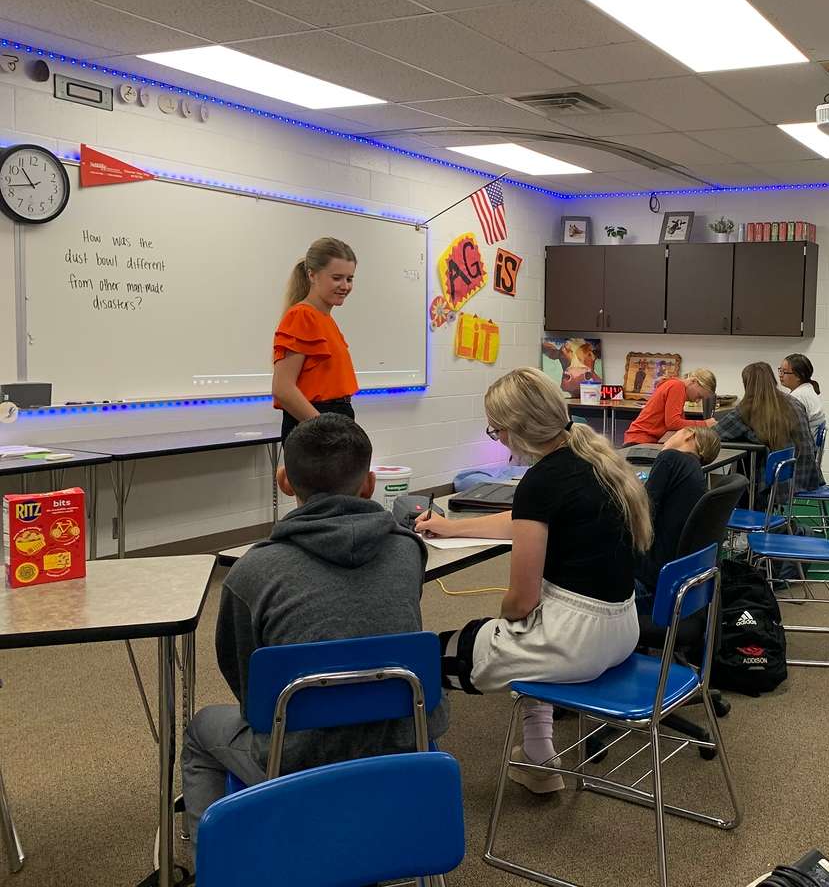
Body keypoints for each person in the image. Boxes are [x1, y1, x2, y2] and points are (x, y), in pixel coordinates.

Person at [181, 414, 442, 842]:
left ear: (284, 481)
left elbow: (245, 683)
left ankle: (216, 861)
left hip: (296, 757)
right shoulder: (409, 551)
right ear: (369, 484)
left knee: (201, 730)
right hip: (403, 742)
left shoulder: (252, 572)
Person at [417, 367, 648, 794]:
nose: (498, 439)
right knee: (527, 635)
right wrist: (452, 528)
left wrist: (500, 624)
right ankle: (539, 759)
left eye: (496, 431)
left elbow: (521, 600)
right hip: (620, 631)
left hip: (575, 642)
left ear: (516, 430)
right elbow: (527, 519)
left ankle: (408, 771)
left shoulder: (541, 481)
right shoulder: (595, 461)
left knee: (424, 658)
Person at [272, 237, 359, 443]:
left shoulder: (325, 318)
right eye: (337, 278)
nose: (345, 286)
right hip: (315, 426)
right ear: (312, 275)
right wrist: (326, 430)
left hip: (334, 420)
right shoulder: (302, 316)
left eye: (349, 278)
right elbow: (283, 389)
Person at [637, 426, 722, 602]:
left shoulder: (670, 458)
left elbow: (643, 512)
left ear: (690, 434)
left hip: (650, 574)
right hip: (674, 573)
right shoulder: (693, 469)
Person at [715, 362, 822, 501]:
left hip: (778, 482)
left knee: (743, 466)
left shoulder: (748, 409)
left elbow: (715, 434)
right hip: (805, 473)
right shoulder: (794, 402)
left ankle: (742, 506)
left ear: (747, 384)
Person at [622, 369, 717, 445]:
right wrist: (705, 424)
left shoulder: (674, 385)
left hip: (642, 439)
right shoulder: (677, 386)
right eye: (699, 396)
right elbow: (673, 423)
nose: (697, 401)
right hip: (640, 441)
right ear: (694, 381)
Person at [777, 353, 825, 437]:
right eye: (780, 370)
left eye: (784, 372)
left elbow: (784, 428)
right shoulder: (807, 389)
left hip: (801, 443)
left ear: (799, 376)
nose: (780, 375)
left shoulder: (798, 397)